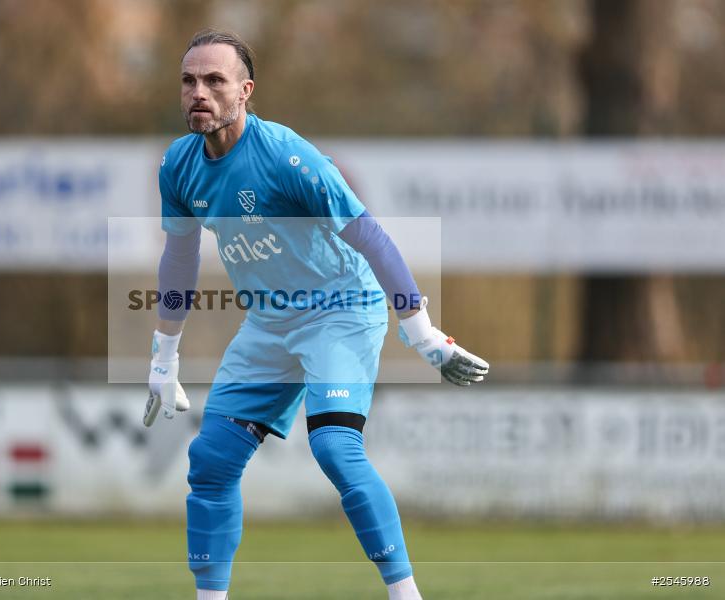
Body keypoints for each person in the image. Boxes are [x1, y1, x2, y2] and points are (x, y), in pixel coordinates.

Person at [143, 29, 488, 600]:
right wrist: (163, 357)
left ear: (245, 91)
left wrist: (423, 335)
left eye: (214, 81)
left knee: (334, 448)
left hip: (340, 311)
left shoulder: (286, 156)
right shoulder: (178, 166)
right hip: (268, 323)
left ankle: (406, 596)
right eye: (188, 81)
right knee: (210, 461)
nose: (197, 92)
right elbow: (179, 259)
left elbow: (373, 239)